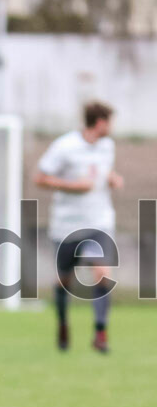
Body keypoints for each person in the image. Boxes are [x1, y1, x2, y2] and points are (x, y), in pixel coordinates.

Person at [34, 101, 121, 353]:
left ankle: (100, 332)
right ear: (101, 122)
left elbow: (102, 173)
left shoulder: (108, 146)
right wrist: (73, 186)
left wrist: (112, 179)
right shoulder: (65, 146)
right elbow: (40, 177)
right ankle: (62, 323)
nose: (113, 127)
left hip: (99, 223)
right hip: (67, 226)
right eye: (111, 121)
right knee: (64, 280)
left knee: (102, 273)